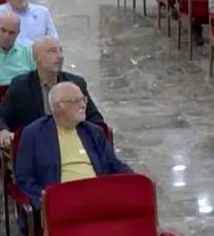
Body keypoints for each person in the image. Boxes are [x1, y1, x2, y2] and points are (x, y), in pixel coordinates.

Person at [12, 82, 132, 211]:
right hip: (62, 202)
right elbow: (24, 178)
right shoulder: (34, 134)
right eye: (76, 101)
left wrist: (134, 180)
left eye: (83, 99)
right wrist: (44, 198)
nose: (83, 105)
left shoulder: (93, 132)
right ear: (58, 107)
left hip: (98, 196)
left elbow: (114, 164)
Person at [0, 36, 103, 148]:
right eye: (52, 51)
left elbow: (94, 117)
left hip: (72, 143)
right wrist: (3, 132)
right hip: (36, 146)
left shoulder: (76, 83)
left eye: (60, 50)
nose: (60, 56)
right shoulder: (20, 85)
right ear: (36, 58)